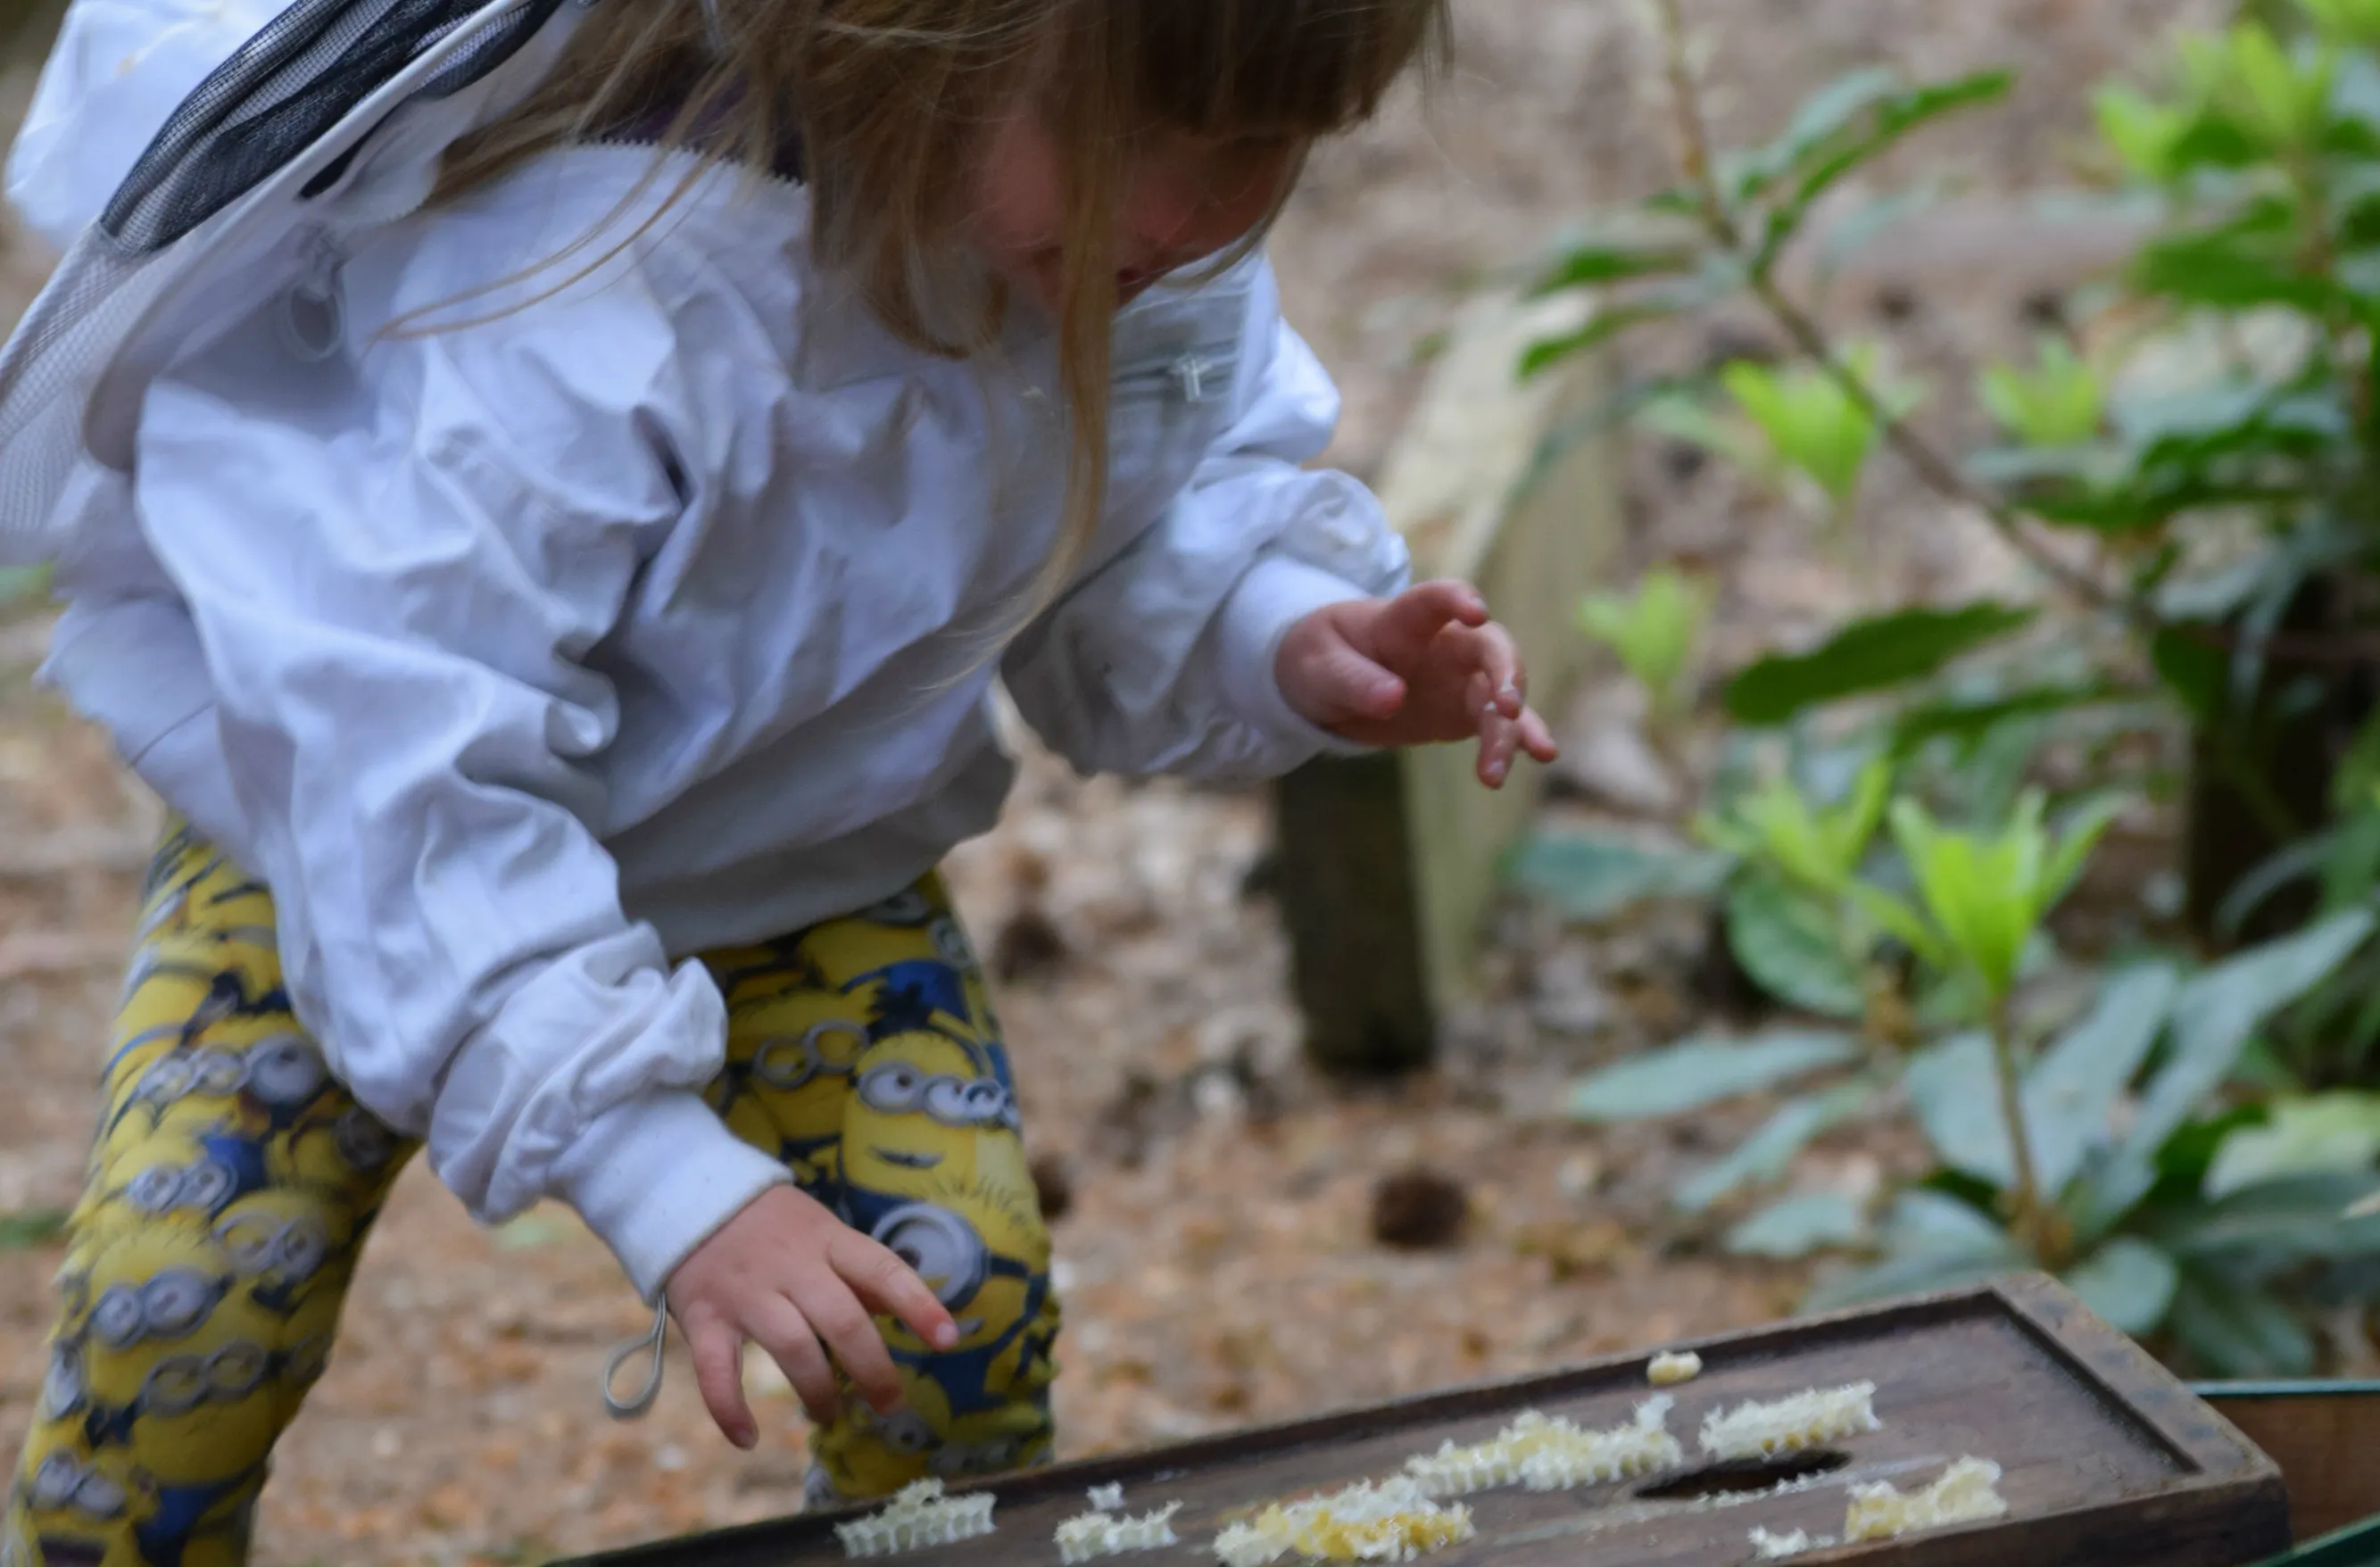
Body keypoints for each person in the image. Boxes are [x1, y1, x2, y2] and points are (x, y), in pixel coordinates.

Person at [0, 0, 1561, 1561]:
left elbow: (1139, 518)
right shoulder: (581, 299)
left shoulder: (1099, 246)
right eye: (1136, 140)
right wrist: (666, 1180)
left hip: (786, 861)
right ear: (909, 45)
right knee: (185, 1312)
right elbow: (405, 752)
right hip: (351, 860)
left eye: (1263, 149)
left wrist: (1285, 636)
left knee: (951, 1303)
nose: (1193, 211)